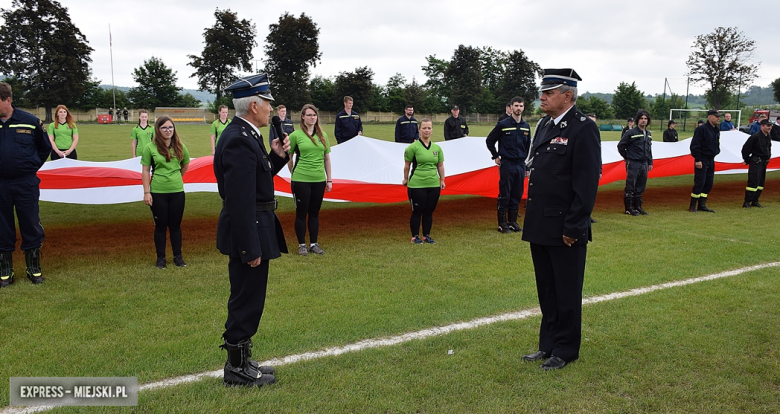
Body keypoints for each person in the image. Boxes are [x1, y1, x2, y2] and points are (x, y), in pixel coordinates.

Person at [521, 69, 600, 371]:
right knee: (547, 291)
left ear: (568, 95)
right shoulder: (543, 125)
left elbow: (586, 183)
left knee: (566, 291)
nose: (542, 96)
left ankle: (566, 349)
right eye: (542, 91)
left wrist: (575, 227)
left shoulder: (583, 129)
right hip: (540, 223)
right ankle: (548, 345)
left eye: (549, 92)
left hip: (565, 227)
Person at [214, 74, 290, 388]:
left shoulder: (248, 134)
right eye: (268, 102)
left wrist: (275, 156)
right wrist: (250, 248)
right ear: (255, 104)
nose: (272, 108)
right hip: (250, 231)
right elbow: (240, 200)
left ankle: (243, 360)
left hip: (258, 227)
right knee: (245, 298)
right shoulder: (237, 138)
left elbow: (257, 180)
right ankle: (235, 370)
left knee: (251, 298)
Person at [0, 82, 51, 288]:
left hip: (25, 183)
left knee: (30, 222)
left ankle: (33, 266)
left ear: (8, 100)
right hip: (0, 184)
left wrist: (28, 166)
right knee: (2, 225)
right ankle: (5, 269)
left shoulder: (30, 122)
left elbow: (44, 148)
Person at [141, 116, 190, 269]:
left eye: (170, 127)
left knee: (175, 226)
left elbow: (185, 166)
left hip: (177, 192)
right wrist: (146, 192)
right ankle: (161, 258)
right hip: (157, 192)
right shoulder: (150, 148)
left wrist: (175, 178)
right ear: (158, 129)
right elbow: (145, 170)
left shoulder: (180, 146)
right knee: (161, 227)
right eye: (164, 128)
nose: (168, 130)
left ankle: (178, 257)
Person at [288, 104, 332, 256]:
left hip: (319, 180)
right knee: (301, 213)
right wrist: (293, 173)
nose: (312, 117)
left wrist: (329, 179)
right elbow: (289, 157)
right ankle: (302, 245)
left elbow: (327, 158)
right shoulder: (295, 135)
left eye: (314, 115)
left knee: (314, 213)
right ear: (303, 117)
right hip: (301, 180)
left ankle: (314, 243)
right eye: (309, 115)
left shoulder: (323, 136)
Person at [486, 96, 530, 233]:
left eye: (521, 106)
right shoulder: (503, 125)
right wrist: (495, 156)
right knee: (505, 194)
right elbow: (490, 140)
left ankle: (513, 222)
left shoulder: (526, 126)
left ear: (523, 108)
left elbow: (528, 147)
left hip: (520, 165)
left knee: (517, 193)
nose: (518, 108)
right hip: (507, 164)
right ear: (511, 107)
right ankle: (502, 224)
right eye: (516, 105)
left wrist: (526, 166)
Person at [403, 118, 445, 244]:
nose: (427, 130)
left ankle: (426, 235)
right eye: (424, 128)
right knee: (417, 212)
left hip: (433, 184)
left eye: (429, 128)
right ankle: (415, 236)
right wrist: (405, 178)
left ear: (432, 130)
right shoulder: (412, 148)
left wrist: (442, 180)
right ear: (419, 129)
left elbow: (440, 166)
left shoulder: (437, 148)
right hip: (417, 185)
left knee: (429, 212)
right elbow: (407, 166)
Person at [618, 109, 654, 216]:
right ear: (638, 120)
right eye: (641, 118)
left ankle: (637, 206)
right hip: (633, 163)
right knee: (631, 186)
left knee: (641, 186)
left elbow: (649, 149)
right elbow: (621, 146)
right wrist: (627, 157)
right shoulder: (631, 133)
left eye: (645, 119)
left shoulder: (648, 133)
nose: (643, 121)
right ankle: (628, 208)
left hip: (644, 163)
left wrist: (650, 162)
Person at [688, 109, 721, 213]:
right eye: (716, 116)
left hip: (711, 159)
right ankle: (692, 205)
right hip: (702, 159)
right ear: (710, 117)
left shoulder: (716, 129)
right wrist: (698, 159)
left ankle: (702, 204)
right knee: (700, 182)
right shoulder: (701, 129)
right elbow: (695, 145)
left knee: (708, 183)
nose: (718, 118)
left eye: (719, 116)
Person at [741, 119, 777, 208]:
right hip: (756, 162)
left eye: (770, 126)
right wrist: (748, 159)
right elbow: (745, 149)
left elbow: (768, 148)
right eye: (767, 126)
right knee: (753, 182)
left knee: (761, 183)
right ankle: (747, 202)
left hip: (764, 163)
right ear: (762, 126)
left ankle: (755, 200)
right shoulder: (755, 136)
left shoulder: (768, 136)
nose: (769, 127)